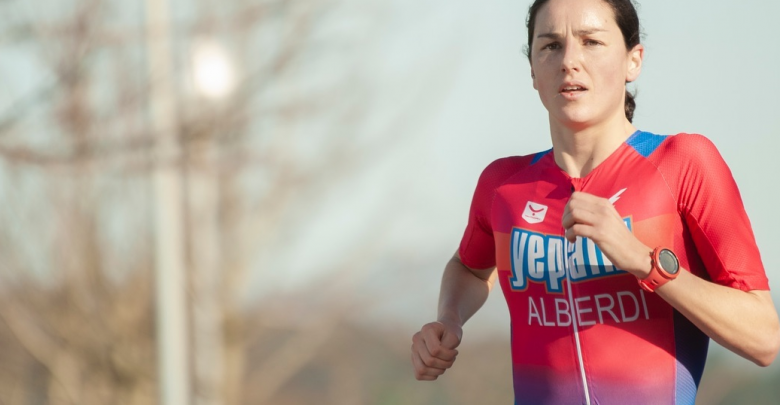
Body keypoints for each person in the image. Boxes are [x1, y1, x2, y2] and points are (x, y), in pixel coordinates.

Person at [410, 0, 780, 403]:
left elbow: (763, 338)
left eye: (591, 42)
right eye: (550, 45)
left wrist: (642, 261)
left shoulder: (682, 164)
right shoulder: (503, 185)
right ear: (532, 69)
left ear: (633, 61)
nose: (570, 61)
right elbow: (469, 267)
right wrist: (449, 319)